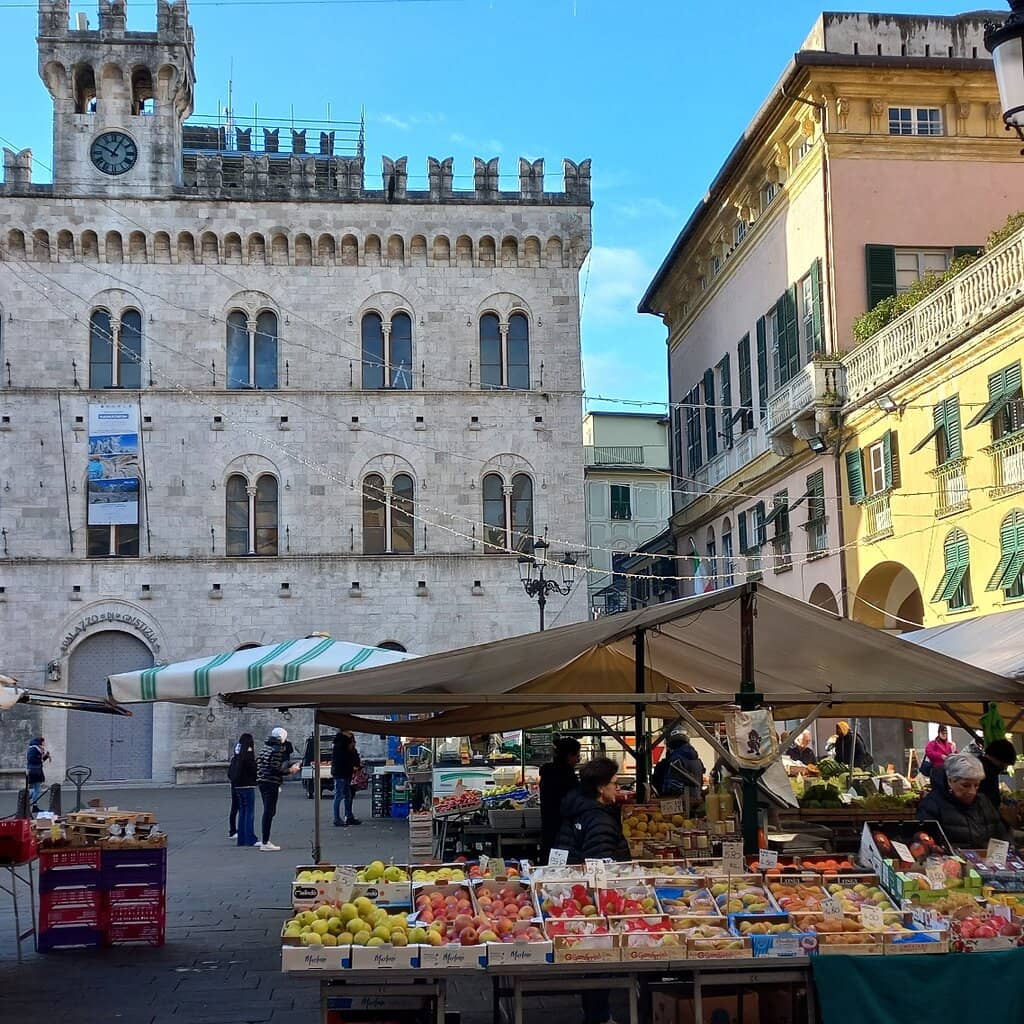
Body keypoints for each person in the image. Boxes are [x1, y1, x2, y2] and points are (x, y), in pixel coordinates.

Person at [555, 757, 628, 1024]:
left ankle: (595, 1012)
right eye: (614, 784)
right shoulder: (599, 819)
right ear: (600, 787)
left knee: (593, 959)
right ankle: (599, 1015)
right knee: (601, 956)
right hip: (594, 897)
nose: (617, 789)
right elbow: (600, 864)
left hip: (574, 892)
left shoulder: (575, 809)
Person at [917, 752, 1009, 848]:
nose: (972, 792)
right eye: (965, 785)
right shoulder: (931, 805)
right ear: (950, 781)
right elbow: (927, 845)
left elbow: (1002, 835)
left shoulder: (984, 802)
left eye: (976, 785)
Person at [256, 726, 299, 851]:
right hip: (271, 782)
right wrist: (291, 770)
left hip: (262, 781)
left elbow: (261, 764)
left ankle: (265, 840)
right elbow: (275, 769)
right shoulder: (277, 749)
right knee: (269, 811)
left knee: (268, 810)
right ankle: (265, 842)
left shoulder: (265, 747)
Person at [539, 737, 581, 862]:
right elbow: (573, 802)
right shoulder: (567, 776)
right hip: (563, 828)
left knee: (548, 859)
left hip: (548, 824)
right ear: (569, 756)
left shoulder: (548, 773)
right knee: (560, 863)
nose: (578, 759)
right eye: (577, 756)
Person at [651, 729, 705, 802]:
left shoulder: (674, 760)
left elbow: (672, 788)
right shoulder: (697, 761)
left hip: (680, 802)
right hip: (696, 801)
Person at [228, 733, 258, 847]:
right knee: (249, 813)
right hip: (248, 785)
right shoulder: (248, 755)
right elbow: (253, 770)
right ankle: (250, 838)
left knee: (242, 812)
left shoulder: (237, 755)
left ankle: (241, 839)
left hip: (237, 786)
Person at [331, 731, 362, 827]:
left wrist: (356, 764)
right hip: (341, 774)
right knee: (339, 795)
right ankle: (337, 818)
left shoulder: (346, 747)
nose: (354, 742)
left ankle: (349, 816)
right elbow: (346, 759)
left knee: (348, 795)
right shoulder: (340, 747)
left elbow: (353, 757)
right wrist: (354, 765)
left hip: (346, 773)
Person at [979, 739, 1017, 808]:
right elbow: (989, 800)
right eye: (1005, 764)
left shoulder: (987, 767)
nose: (1005, 768)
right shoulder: (986, 771)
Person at [25, 737, 50, 812]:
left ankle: (28, 802)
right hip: (34, 771)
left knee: (36, 789)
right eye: (43, 742)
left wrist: (46, 756)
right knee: (37, 789)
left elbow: (40, 760)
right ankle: (33, 805)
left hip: (37, 770)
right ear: (40, 742)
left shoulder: (38, 749)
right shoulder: (33, 749)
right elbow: (31, 759)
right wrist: (40, 758)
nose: (44, 743)